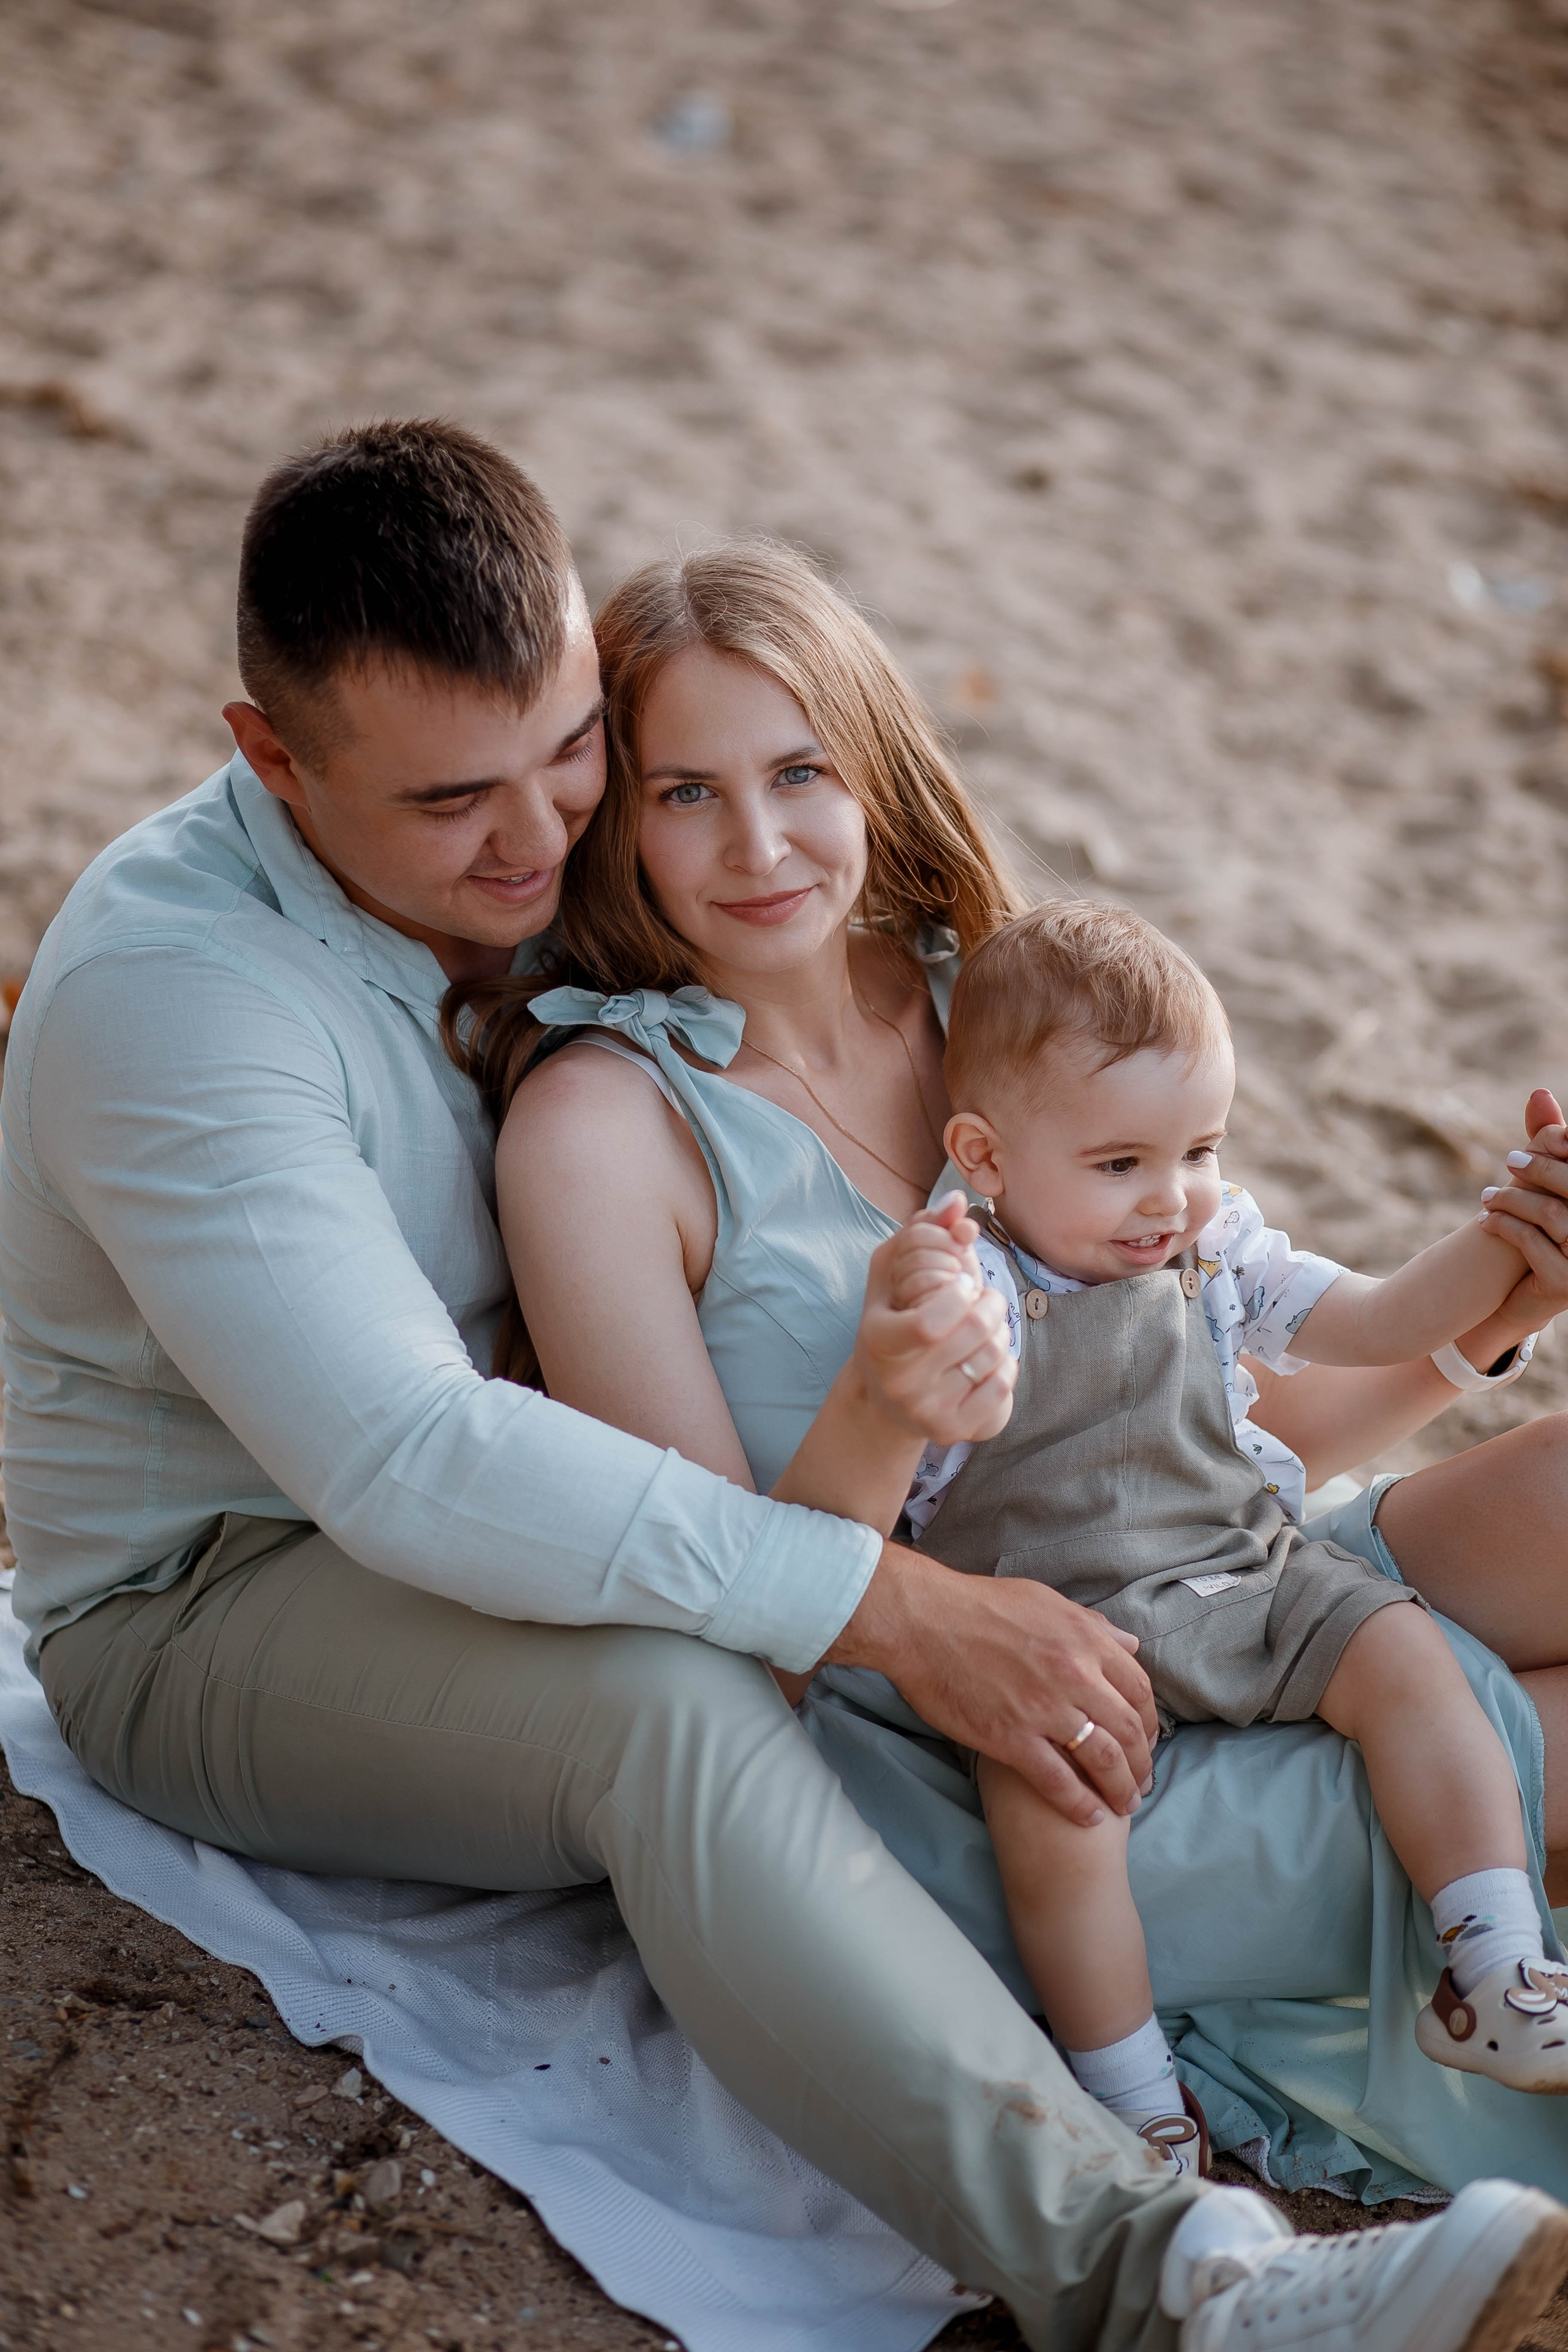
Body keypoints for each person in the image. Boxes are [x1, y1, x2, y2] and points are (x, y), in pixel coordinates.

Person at [5, 423, 1567, 2352]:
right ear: (268, 756)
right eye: (454, 803)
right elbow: (413, 1463)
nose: (534, 841)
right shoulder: (192, 1006)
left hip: (1078, 1581)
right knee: (660, 1704)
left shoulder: (905, 998)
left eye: (569, 754)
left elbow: (1193, 1414)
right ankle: (1171, 2285)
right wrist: (905, 1592)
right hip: (231, 1588)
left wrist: (1475, 1314)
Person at [823, 899, 1568, 2171]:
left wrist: (1504, 1238)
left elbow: (1382, 1317)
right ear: (984, 1158)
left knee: (1403, 1657)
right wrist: (925, 1333)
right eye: (1119, 1164)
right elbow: (917, 1440)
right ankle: (1126, 2093)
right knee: (1053, 1816)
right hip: (1056, 1628)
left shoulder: (1210, 1250)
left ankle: (1489, 1963)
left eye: (1198, 1150)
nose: (1166, 1198)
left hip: (1244, 1572)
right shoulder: (972, 1276)